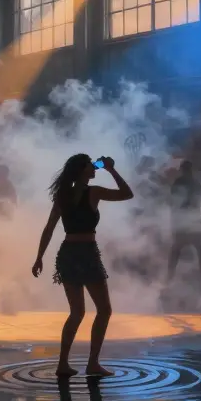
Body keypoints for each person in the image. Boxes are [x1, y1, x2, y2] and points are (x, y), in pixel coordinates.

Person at [32, 154, 133, 378]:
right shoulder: (93, 192)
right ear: (82, 170)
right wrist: (111, 169)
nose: (94, 166)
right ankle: (92, 363)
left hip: (68, 253)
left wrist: (39, 257)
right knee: (104, 310)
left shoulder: (63, 195)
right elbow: (127, 194)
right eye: (90, 163)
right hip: (86, 253)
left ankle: (63, 364)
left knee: (77, 312)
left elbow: (49, 228)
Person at [165, 160, 201, 289]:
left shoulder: (189, 183)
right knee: (178, 252)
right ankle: (169, 279)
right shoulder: (186, 183)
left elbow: (196, 202)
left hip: (190, 223)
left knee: (180, 252)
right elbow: (177, 204)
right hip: (186, 223)